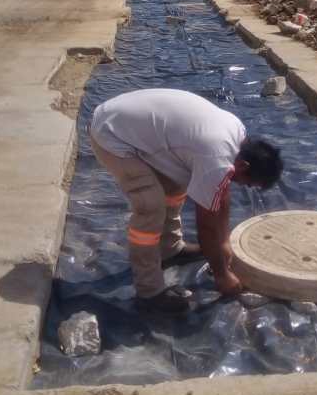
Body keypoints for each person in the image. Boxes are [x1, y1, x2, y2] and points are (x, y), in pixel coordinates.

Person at [90, 88, 284, 313]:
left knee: (175, 186)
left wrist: (224, 245)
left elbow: (221, 195)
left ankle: (170, 249)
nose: (243, 186)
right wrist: (222, 275)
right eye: (247, 183)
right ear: (244, 166)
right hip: (111, 135)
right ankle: (149, 292)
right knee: (149, 206)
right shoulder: (217, 157)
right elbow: (206, 226)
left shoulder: (237, 133)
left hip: (130, 120)